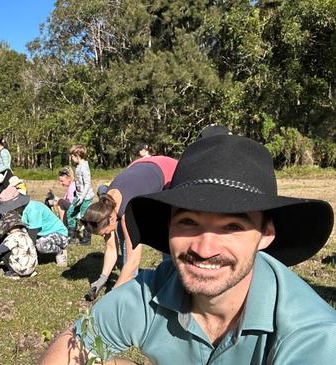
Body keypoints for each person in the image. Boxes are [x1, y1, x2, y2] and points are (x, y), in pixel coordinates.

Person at [40, 134, 336, 364]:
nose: (205, 248)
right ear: (168, 227)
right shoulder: (154, 289)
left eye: (232, 226)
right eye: (188, 222)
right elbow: (74, 344)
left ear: (266, 234)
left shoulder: (313, 334)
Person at [82, 152, 178, 301]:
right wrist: (102, 279)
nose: (103, 236)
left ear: (112, 218)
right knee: (122, 233)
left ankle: (172, 279)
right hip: (140, 167)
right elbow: (112, 249)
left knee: (168, 232)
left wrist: (111, 297)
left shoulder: (129, 211)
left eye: (103, 233)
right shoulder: (106, 204)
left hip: (168, 172)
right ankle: (130, 285)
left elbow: (134, 261)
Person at [0, 186, 69, 267]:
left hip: (59, 235)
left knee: (40, 245)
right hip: (41, 235)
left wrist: (28, 259)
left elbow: (32, 237)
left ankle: (60, 252)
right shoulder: (18, 211)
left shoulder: (33, 209)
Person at [0, 212, 38, 279]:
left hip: (21, 269)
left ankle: (13, 273)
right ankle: (30, 272)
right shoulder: (26, 235)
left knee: (4, 251)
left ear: (7, 228)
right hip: (32, 267)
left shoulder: (11, 238)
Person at [66, 145, 94, 245]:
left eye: (72, 156)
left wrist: (82, 197)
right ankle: (71, 236)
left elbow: (87, 184)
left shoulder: (84, 168)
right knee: (70, 212)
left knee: (84, 216)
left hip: (85, 197)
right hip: (78, 196)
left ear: (77, 155)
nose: (71, 158)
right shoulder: (78, 167)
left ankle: (87, 239)